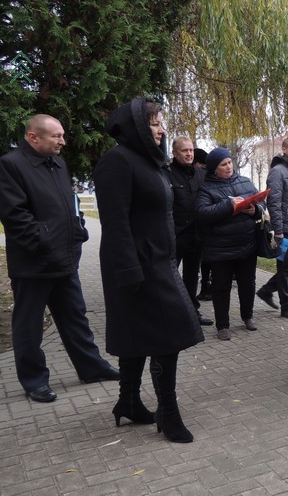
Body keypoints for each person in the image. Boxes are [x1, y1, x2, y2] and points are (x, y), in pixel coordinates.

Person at [94, 98, 204, 442]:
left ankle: (128, 401)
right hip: (136, 266)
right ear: (136, 126)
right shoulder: (117, 161)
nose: (162, 129)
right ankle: (167, 413)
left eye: (160, 123)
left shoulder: (150, 162)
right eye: (155, 123)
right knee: (165, 337)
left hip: (158, 262)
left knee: (138, 334)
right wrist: (129, 272)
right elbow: (114, 223)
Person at [0, 114, 119, 403]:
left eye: (62, 135)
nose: (62, 141)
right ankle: (34, 380)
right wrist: (47, 241)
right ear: (33, 137)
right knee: (29, 326)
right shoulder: (10, 165)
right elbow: (15, 217)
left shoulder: (58, 164)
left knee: (75, 317)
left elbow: (70, 204)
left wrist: (79, 229)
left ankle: (92, 367)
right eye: (56, 136)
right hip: (33, 264)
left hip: (65, 259)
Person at [195, 147, 260, 340]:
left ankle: (247, 316)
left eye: (230, 162)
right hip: (220, 249)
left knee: (247, 284)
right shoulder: (206, 188)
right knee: (221, 287)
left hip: (247, 244)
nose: (228, 166)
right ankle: (223, 326)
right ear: (214, 168)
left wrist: (254, 211)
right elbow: (201, 213)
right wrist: (228, 205)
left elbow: (261, 205)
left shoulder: (245, 181)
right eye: (223, 164)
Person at [256, 137, 288, 320]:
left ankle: (266, 290)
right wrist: (278, 230)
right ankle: (287, 306)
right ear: (284, 149)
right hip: (285, 227)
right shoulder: (278, 172)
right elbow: (274, 202)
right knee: (285, 267)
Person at [166, 137, 213, 327]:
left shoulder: (200, 175)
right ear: (175, 153)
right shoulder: (166, 174)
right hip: (175, 236)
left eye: (191, 150)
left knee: (192, 277)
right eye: (184, 151)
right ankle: (169, 313)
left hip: (196, 236)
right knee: (169, 278)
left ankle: (193, 311)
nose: (189, 154)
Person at [192, 148, 213, 302]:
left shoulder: (202, 178)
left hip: (202, 228)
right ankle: (206, 288)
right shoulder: (208, 178)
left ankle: (206, 288)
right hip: (203, 228)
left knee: (204, 261)